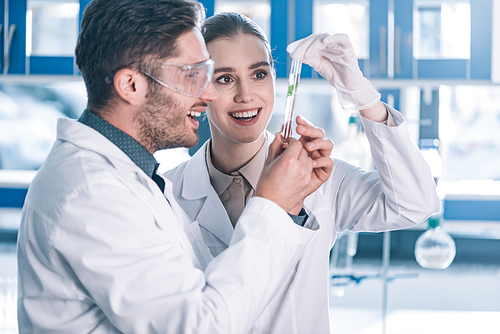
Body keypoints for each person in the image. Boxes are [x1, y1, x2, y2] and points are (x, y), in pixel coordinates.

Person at [16, 1, 334, 333]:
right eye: (192, 75)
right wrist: (274, 205)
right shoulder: (92, 195)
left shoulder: (131, 177)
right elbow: (200, 327)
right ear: (131, 86)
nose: (209, 93)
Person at [165, 12, 441, 334]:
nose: (246, 95)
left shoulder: (318, 175)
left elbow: (416, 203)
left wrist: (363, 96)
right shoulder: (169, 195)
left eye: (259, 74)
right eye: (224, 78)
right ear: (200, 88)